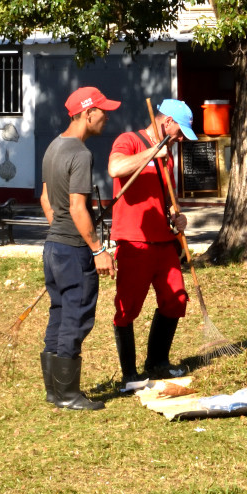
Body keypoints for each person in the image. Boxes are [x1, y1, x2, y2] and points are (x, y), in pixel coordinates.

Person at [39, 86, 121, 411]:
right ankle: (69, 395)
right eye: (103, 110)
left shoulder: (53, 147)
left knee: (58, 313)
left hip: (53, 247)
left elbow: (46, 198)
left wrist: (58, 230)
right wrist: (98, 249)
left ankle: (54, 392)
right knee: (77, 315)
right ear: (88, 113)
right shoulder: (81, 154)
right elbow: (77, 208)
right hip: (73, 251)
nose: (107, 116)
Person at [106, 99, 196, 389]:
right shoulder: (129, 140)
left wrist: (177, 215)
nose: (181, 139)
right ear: (167, 121)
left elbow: (165, 196)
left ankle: (157, 362)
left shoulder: (167, 155)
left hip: (164, 240)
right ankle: (130, 374)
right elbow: (115, 168)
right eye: (180, 132)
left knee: (176, 299)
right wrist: (152, 151)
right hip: (134, 239)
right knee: (128, 306)